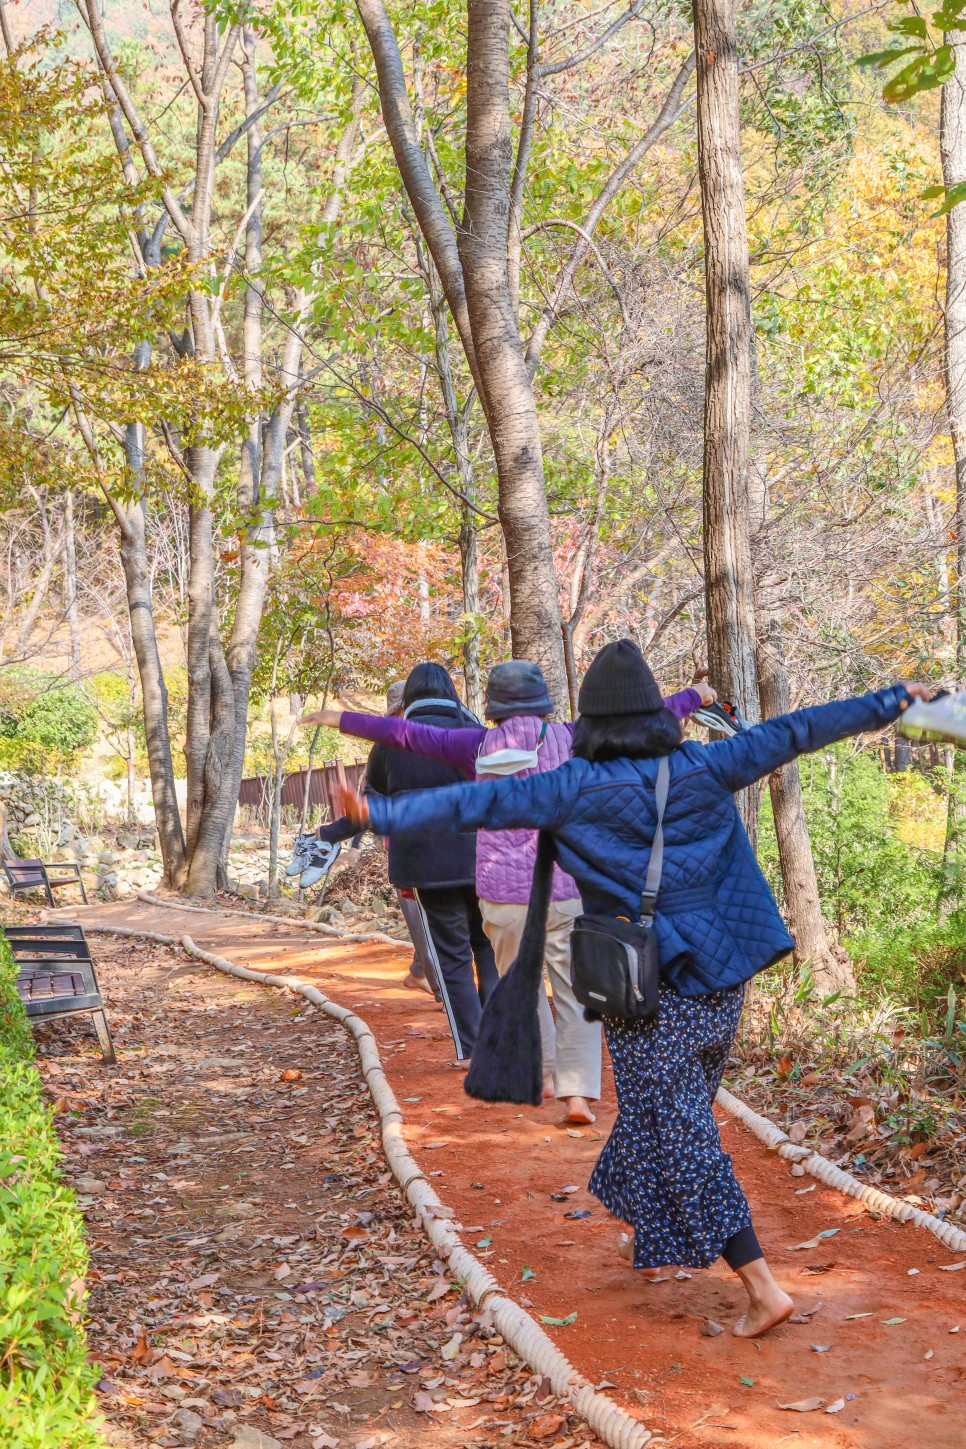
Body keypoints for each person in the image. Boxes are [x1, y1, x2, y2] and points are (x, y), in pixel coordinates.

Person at [331, 639, 930, 1337]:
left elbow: (479, 802)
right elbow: (796, 730)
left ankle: (761, 1285)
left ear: (589, 719)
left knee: (677, 1125)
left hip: (648, 985)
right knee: (664, 1109)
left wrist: (377, 814)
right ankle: (645, 1228)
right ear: (654, 711)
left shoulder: (571, 786)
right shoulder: (707, 762)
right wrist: (891, 699)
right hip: (723, 972)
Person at [307, 664, 707, 1125]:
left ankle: (547, 1075)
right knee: (576, 991)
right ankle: (577, 1095)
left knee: (523, 984)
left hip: (503, 891)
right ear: (543, 703)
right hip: (565, 883)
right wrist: (694, 694)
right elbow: (644, 718)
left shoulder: (476, 744)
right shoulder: (574, 736)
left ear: (494, 707)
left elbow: (404, 737)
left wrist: (339, 721)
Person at [302, 663, 498, 1062]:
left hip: (427, 863)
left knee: (453, 956)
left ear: (408, 697)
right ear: (452, 691)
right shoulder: (478, 735)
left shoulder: (392, 743)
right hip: (485, 859)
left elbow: (372, 802)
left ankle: (475, 1050)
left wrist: (333, 833)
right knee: (488, 948)